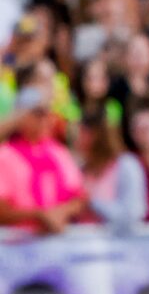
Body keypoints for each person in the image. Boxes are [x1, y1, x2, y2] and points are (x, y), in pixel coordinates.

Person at [0, 83, 89, 234]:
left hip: (57, 246)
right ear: (21, 116)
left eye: (49, 113)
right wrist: (39, 215)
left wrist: (62, 212)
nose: (47, 119)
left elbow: (79, 197)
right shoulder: (5, 154)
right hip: (15, 248)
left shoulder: (59, 152)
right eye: (39, 113)